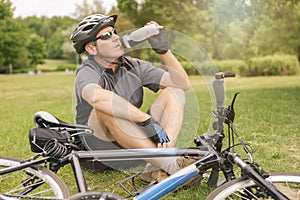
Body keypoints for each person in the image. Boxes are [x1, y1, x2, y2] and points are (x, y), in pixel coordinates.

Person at [70, 14, 197, 183]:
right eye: (107, 36)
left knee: (175, 92)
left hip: (134, 146)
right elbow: (97, 97)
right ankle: (170, 165)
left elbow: (182, 84)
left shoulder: (133, 65)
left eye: (115, 32)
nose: (116, 38)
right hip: (100, 154)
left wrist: (163, 51)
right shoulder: (87, 72)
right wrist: (145, 119)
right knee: (105, 108)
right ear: (91, 49)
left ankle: (157, 165)